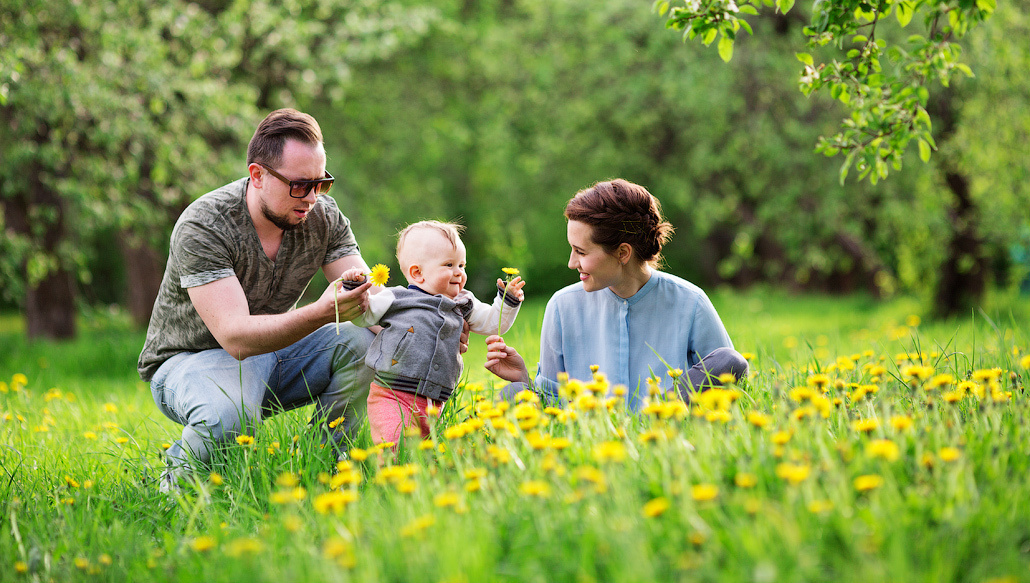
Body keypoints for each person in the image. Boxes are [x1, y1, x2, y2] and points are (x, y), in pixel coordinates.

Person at [138, 108, 385, 490]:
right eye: (300, 185)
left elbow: (372, 302)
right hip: (189, 362)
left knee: (366, 343)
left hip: (273, 352)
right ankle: (175, 487)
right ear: (258, 175)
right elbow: (234, 338)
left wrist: (437, 321)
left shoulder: (321, 217)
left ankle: (330, 472)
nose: (313, 199)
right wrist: (322, 312)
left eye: (322, 184)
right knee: (230, 413)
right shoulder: (206, 224)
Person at [484, 179, 747, 409]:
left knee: (730, 359)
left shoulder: (691, 303)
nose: (571, 263)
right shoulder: (562, 306)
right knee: (512, 394)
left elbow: (727, 380)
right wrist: (523, 379)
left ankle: (656, 419)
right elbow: (552, 403)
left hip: (667, 432)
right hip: (589, 442)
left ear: (623, 253)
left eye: (581, 252)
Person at [344, 221, 525, 445]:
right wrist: (353, 289)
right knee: (394, 445)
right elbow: (364, 316)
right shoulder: (396, 298)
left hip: (433, 401)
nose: (459, 273)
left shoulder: (463, 302)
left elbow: (492, 323)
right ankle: (390, 477)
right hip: (392, 393)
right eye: (449, 265)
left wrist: (507, 301)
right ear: (417, 273)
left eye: (462, 265)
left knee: (424, 453)